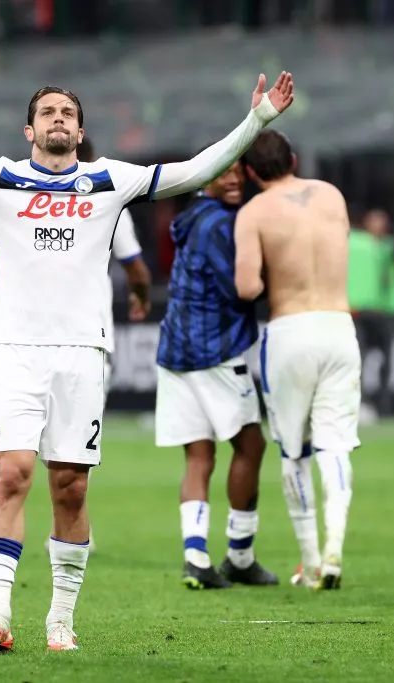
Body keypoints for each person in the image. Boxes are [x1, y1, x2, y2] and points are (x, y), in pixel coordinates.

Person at [0, 66, 294, 651]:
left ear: (80, 131)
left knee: (70, 487)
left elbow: (192, 171)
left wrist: (257, 119)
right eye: (47, 112)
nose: (58, 119)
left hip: (82, 353)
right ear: (29, 130)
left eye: (68, 113)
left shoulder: (109, 180)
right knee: (12, 474)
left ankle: (60, 621)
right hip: (16, 351)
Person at [234, 130, 359, 591]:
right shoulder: (331, 195)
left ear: (250, 173)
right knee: (335, 446)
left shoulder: (253, 212)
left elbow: (247, 287)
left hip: (290, 331)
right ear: (294, 159)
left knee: (294, 451)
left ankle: (310, 562)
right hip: (339, 326)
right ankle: (335, 549)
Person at [155, 160, 278, 590]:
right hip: (215, 348)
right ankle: (240, 555)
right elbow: (240, 287)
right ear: (204, 177)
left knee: (199, 455)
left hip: (175, 349)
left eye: (238, 172)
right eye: (223, 172)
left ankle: (195, 557)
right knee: (251, 445)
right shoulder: (223, 223)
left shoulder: (193, 217)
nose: (233, 179)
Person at [41, 136, 153, 553]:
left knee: (45, 456)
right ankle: (67, 527)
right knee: (69, 455)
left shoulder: (32, 198)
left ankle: (65, 530)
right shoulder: (107, 197)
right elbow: (134, 265)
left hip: (40, 337)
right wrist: (141, 296)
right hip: (86, 339)